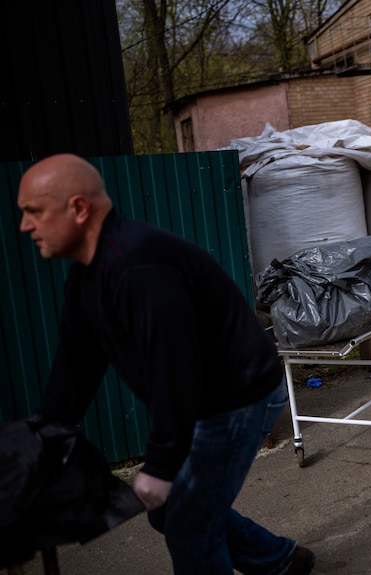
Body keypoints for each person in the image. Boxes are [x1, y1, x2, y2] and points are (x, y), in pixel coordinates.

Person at [17, 153, 315, 575]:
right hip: (202, 399)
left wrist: (159, 465)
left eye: (34, 212)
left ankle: (277, 560)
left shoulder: (137, 265)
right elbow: (76, 366)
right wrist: (43, 441)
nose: (25, 225)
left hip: (237, 398)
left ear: (79, 209)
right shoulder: (87, 275)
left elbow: (175, 372)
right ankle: (280, 560)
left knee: (190, 526)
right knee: (173, 512)